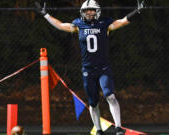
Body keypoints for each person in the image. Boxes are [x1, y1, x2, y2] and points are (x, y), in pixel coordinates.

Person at [35, 0, 144, 135]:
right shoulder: (78, 25)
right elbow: (60, 25)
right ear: (82, 12)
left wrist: (136, 12)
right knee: (93, 103)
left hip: (103, 68)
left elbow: (121, 22)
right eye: (87, 10)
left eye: (91, 10)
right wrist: (46, 15)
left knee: (110, 96)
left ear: (97, 11)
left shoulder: (104, 24)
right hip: (88, 70)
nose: (89, 12)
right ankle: (98, 130)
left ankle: (118, 127)